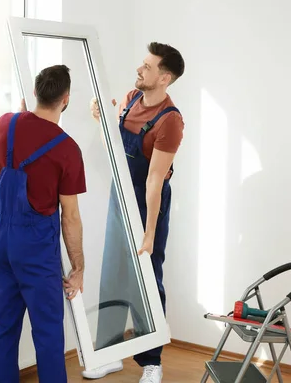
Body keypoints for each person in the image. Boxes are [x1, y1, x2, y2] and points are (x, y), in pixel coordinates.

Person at [82, 42, 185, 383]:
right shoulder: (129, 99)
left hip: (147, 202)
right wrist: (102, 120)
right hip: (120, 194)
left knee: (147, 279)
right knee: (113, 274)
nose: (140, 70)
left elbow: (154, 181)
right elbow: (112, 149)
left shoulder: (170, 121)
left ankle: (152, 361)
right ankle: (110, 352)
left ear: (164, 77)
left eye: (148, 66)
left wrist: (150, 233)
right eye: (142, 64)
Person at [0, 64, 86, 383]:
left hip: (1, 242)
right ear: (66, 99)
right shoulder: (68, 149)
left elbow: (4, 166)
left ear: (34, 92)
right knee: (47, 336)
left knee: (3, 331)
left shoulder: (6, 124)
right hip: (36, 250)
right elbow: (69, 216)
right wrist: (78, 266)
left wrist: (21, 118)